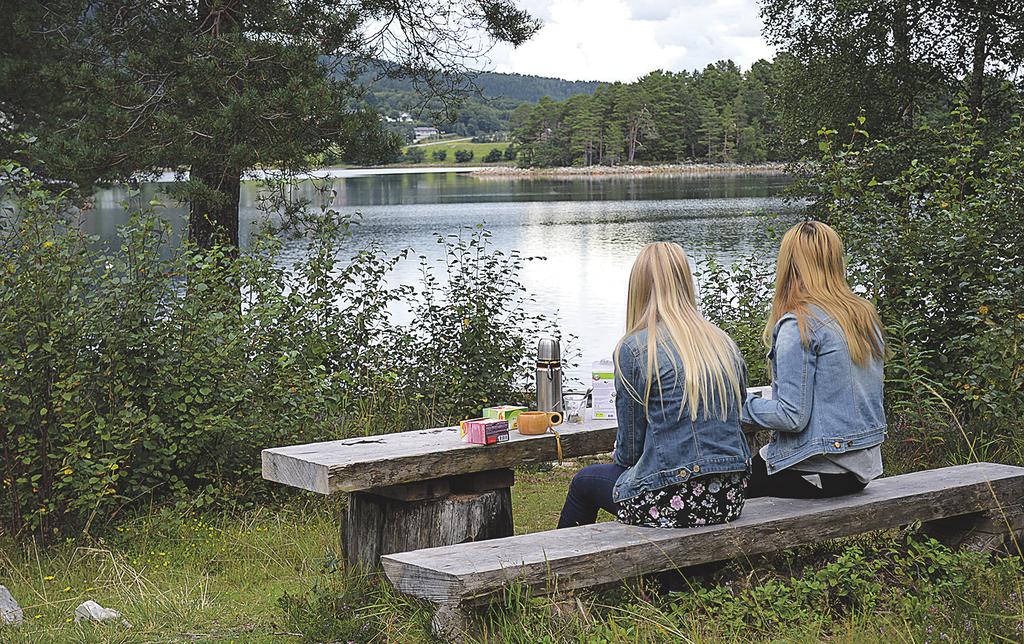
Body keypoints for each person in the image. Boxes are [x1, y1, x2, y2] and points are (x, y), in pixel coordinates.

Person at [558, 242, 751, 529]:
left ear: (638, 288)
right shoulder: (722, 344)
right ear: (686, 282)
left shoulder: (636, 348)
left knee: (584, 481)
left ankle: (561, 568)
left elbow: (630, 453)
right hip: (730, 495)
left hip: (674, 499)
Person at [743, 220, 887, 499]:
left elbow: (791, 417)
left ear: (789, 265)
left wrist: (733, 404)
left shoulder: (799, 324)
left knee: (726, 489)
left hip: (819, 471)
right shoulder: (863, 315)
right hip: (860, 471)